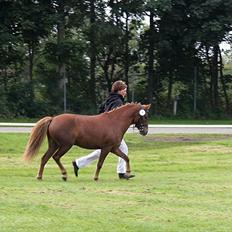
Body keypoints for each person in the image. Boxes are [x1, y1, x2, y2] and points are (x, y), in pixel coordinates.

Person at [72, 80, 135, 179]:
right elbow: (117, 116)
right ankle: (121, 173)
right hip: (112, 132)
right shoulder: (118, 101)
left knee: (103, 151)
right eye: (124, 90)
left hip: (105, 130)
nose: (125, 92)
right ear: (119, 90)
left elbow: (101, 110)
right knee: (121, 149)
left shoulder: (110, 98)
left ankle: (78, 163)